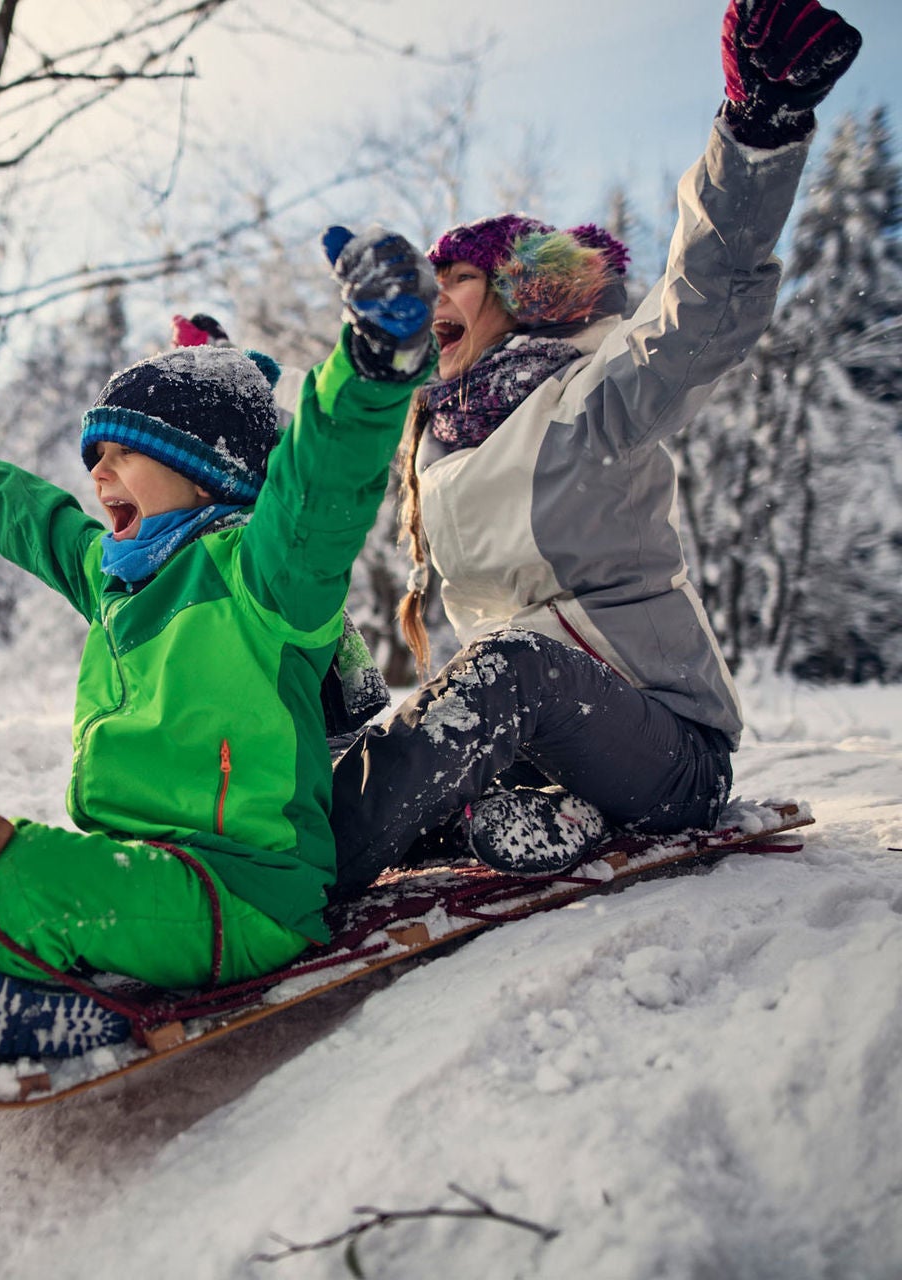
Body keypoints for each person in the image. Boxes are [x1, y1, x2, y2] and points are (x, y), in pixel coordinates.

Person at [330, 0, 862, 899]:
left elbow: (704, 306)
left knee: (512, 667)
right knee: (331, 666)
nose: (436, 294)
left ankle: (310, 865)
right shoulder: (438, 438)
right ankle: (486, 817)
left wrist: (756, 135)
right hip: (542, 746)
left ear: (513, 290)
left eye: (456, 275)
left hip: (665, 749)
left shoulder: (591, 399)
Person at [0, 225, 438, 1061]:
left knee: (9, 879)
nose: (98, 473)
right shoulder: (115, 580)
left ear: (203, 469)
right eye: (95, 455)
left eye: (123, 453)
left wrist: (369, 368)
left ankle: (49, 1011)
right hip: (152, 872)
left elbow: (320, 480)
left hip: (243, 891)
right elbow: (35, 520)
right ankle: (8, 971)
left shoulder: (263, 577)